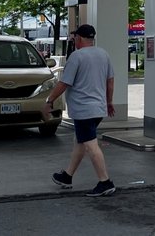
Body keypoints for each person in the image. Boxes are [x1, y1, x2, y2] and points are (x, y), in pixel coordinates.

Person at [45, 23, 116, 197]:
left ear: (80, 38)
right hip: (98, 108)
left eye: (75, 37)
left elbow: (64, 83)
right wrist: (109, 102)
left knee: (91, 145)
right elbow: (110, 81)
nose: (74, 40)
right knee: (81, 141)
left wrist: (50, 100)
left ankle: (105, 182)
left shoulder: (76, 57)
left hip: (83, 109)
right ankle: (67, 176)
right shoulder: (104, 54)